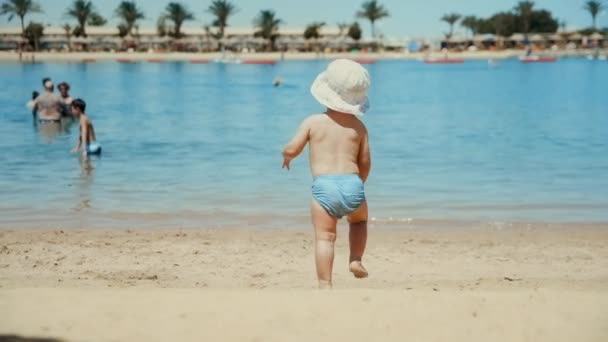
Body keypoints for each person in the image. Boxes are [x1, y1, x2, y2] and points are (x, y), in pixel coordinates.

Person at [282, 59, 372, 289]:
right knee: (359, 221)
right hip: (353, 184)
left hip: (324, 187)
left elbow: (293, 147)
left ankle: (325, 284)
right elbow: (365, 162)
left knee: (325, 238)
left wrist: (287, 155)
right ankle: (355, 259)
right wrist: (358, 183)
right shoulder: (360, 128)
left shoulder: (313, 122)